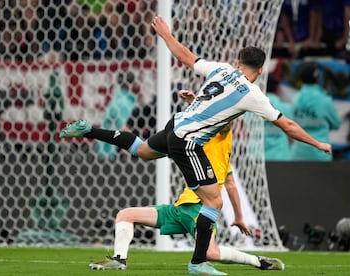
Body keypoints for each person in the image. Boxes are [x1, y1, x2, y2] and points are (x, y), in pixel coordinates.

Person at [60, 15, 331, 275]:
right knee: (214, 200)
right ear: (260, 70)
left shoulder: (223, 69)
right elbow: (288, 125)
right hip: (187, 140)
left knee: (142, 151)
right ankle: (198, 263)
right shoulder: (253, 94)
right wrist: (317, 143)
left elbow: (186, 57)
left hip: (174, 125)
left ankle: (90, 130)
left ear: (238, 62)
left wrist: (166, 34)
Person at [89, 90, 285, 272]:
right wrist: (239, 217)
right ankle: (119, 259)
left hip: (198, 208)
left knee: (211, 253)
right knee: (126, 214)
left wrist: (239, 216)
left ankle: (258, 262)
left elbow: (222, 125)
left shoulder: (221, 136)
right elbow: (231, 185)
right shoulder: (213, 152)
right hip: (181, 208)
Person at [290, 62, 341, 161]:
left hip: (297, 155)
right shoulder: (324, 100)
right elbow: (336, 124)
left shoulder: (295, 99)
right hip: (320, 155)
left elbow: (291, 123)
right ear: (317, 77)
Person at [264, 75, 293, 161]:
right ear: (277, 88)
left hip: (257, 157)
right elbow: (291, 131)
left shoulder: (251, 107)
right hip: (280, 156)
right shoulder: (286, 108)